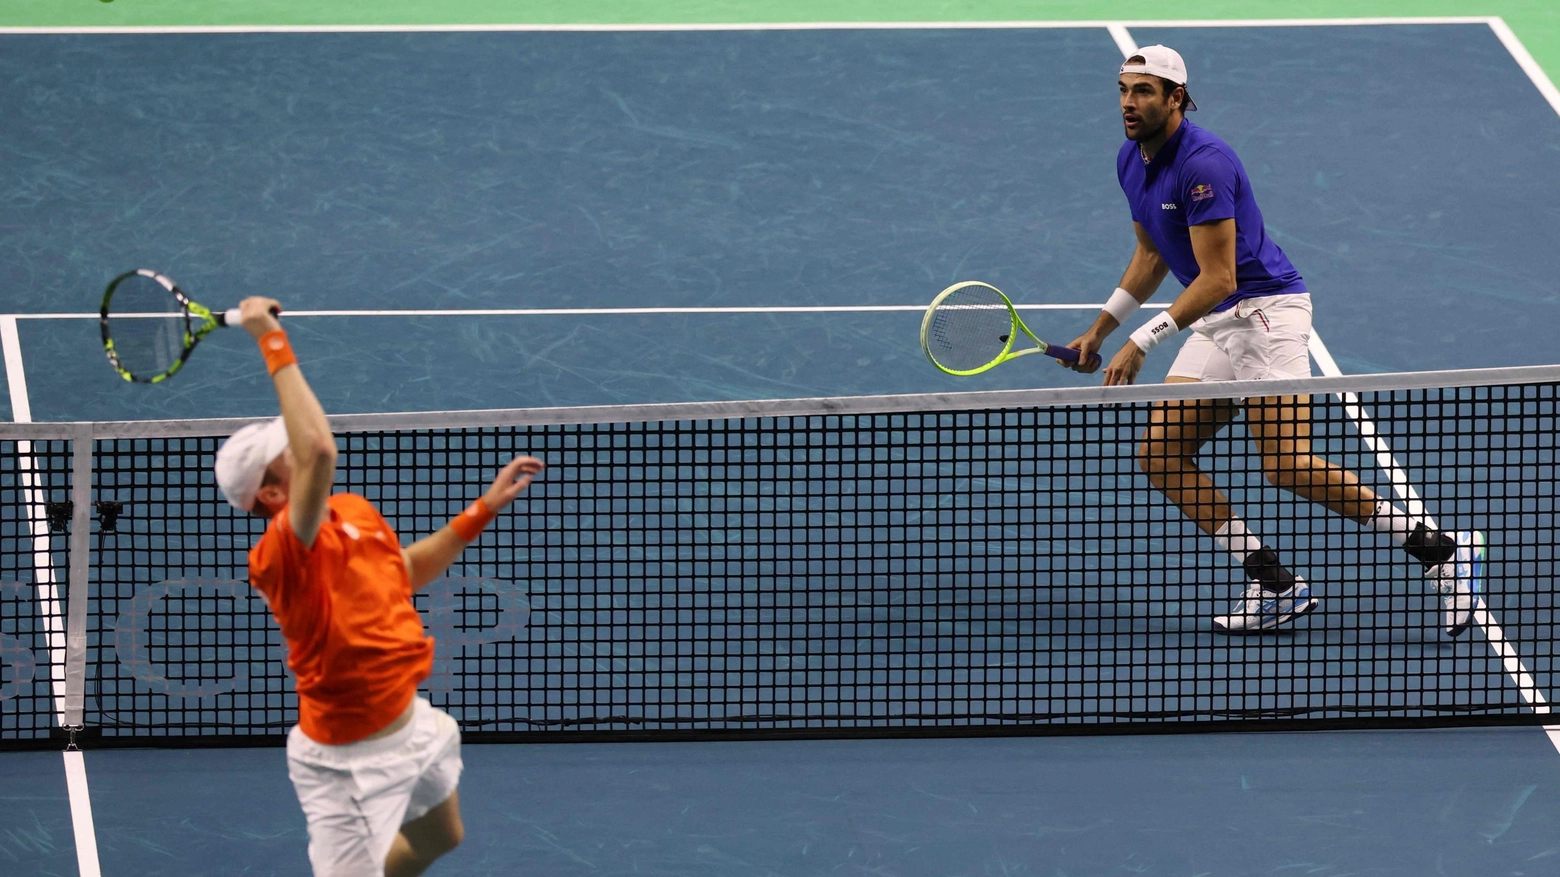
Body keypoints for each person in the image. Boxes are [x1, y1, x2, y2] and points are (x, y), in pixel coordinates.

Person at [1063, 45, 1484, 636]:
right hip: (1215, 320)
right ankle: (1274, 582)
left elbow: (1220, 277)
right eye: (1124, 90)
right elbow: (1152, 251)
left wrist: (1143, 340)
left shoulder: (1205, 163)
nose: (1129, 104)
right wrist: (1100, 330)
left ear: (1175, 97)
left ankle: (1441, 552)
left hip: (1265, 313)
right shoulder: (1130, 160)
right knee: (1160, 454)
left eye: (1144, 92)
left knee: (1286, 464)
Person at [214, 296, 545, 876]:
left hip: (412, 724)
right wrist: (269, 336)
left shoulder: (351, 511)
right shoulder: (279, 556)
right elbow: (318, 448)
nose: (295, 446)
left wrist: (480, 512)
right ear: (268, 494)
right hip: (346, 763)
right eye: (280, 454)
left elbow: (402, 573)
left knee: (442, 837)